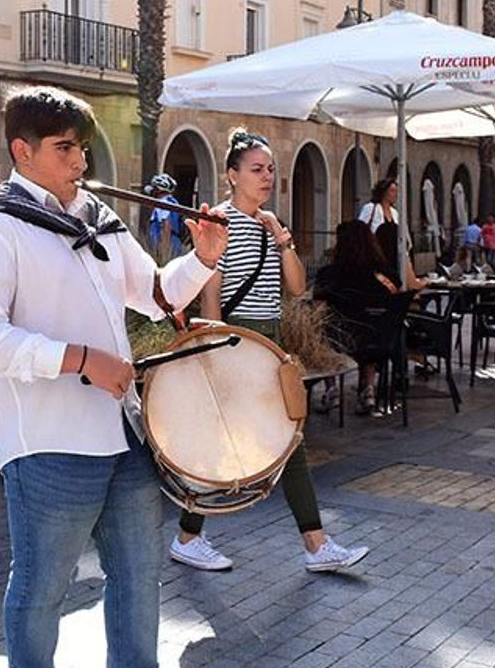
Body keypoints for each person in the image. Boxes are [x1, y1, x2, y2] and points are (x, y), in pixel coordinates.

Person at [0, 85, 225, 668]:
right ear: (24, 151)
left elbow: (157, 294)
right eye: (65, 149)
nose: (79, 160)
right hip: (46, 440)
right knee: (41, 589)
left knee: (139, 581)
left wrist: (202, 257)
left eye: (81, 147)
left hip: (121, 433)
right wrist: (77, 358)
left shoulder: (98, 219)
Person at [170, 128, 369, 575]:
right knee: (270, 439)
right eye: (257, 169)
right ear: (232, 175)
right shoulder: (217, 223)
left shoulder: (270, 223)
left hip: (269, 341)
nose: (266, 177)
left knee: (278, 438)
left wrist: (283, 240)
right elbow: (210, 295)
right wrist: (218, 349)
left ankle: (192, 537)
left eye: (271, 170)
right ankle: (312, 544)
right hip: (237, 341)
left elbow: (296, 288)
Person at [313, 220, 410, 416]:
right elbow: (397, 294)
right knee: (372, 325)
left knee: (320, 329)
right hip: (382, 342)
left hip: (342, 342)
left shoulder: (330, 275)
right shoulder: (386, 276)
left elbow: (319, 309)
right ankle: (369, 389)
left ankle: (332, 388)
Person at [369, 173, 424, 292]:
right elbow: (361, 230)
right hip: (378, 255)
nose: (395, 194)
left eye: (396, 191)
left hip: (393, 256)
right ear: (384, 192)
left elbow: (402, 234)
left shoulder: (395, 213)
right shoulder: (371, 209)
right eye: (392, 191)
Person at [145, 174, 183, 259]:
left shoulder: (164, 203)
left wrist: (164, 254)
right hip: (173, 246)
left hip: (167, 248)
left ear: (158, 190)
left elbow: (166, 226)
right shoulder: (172, 202)